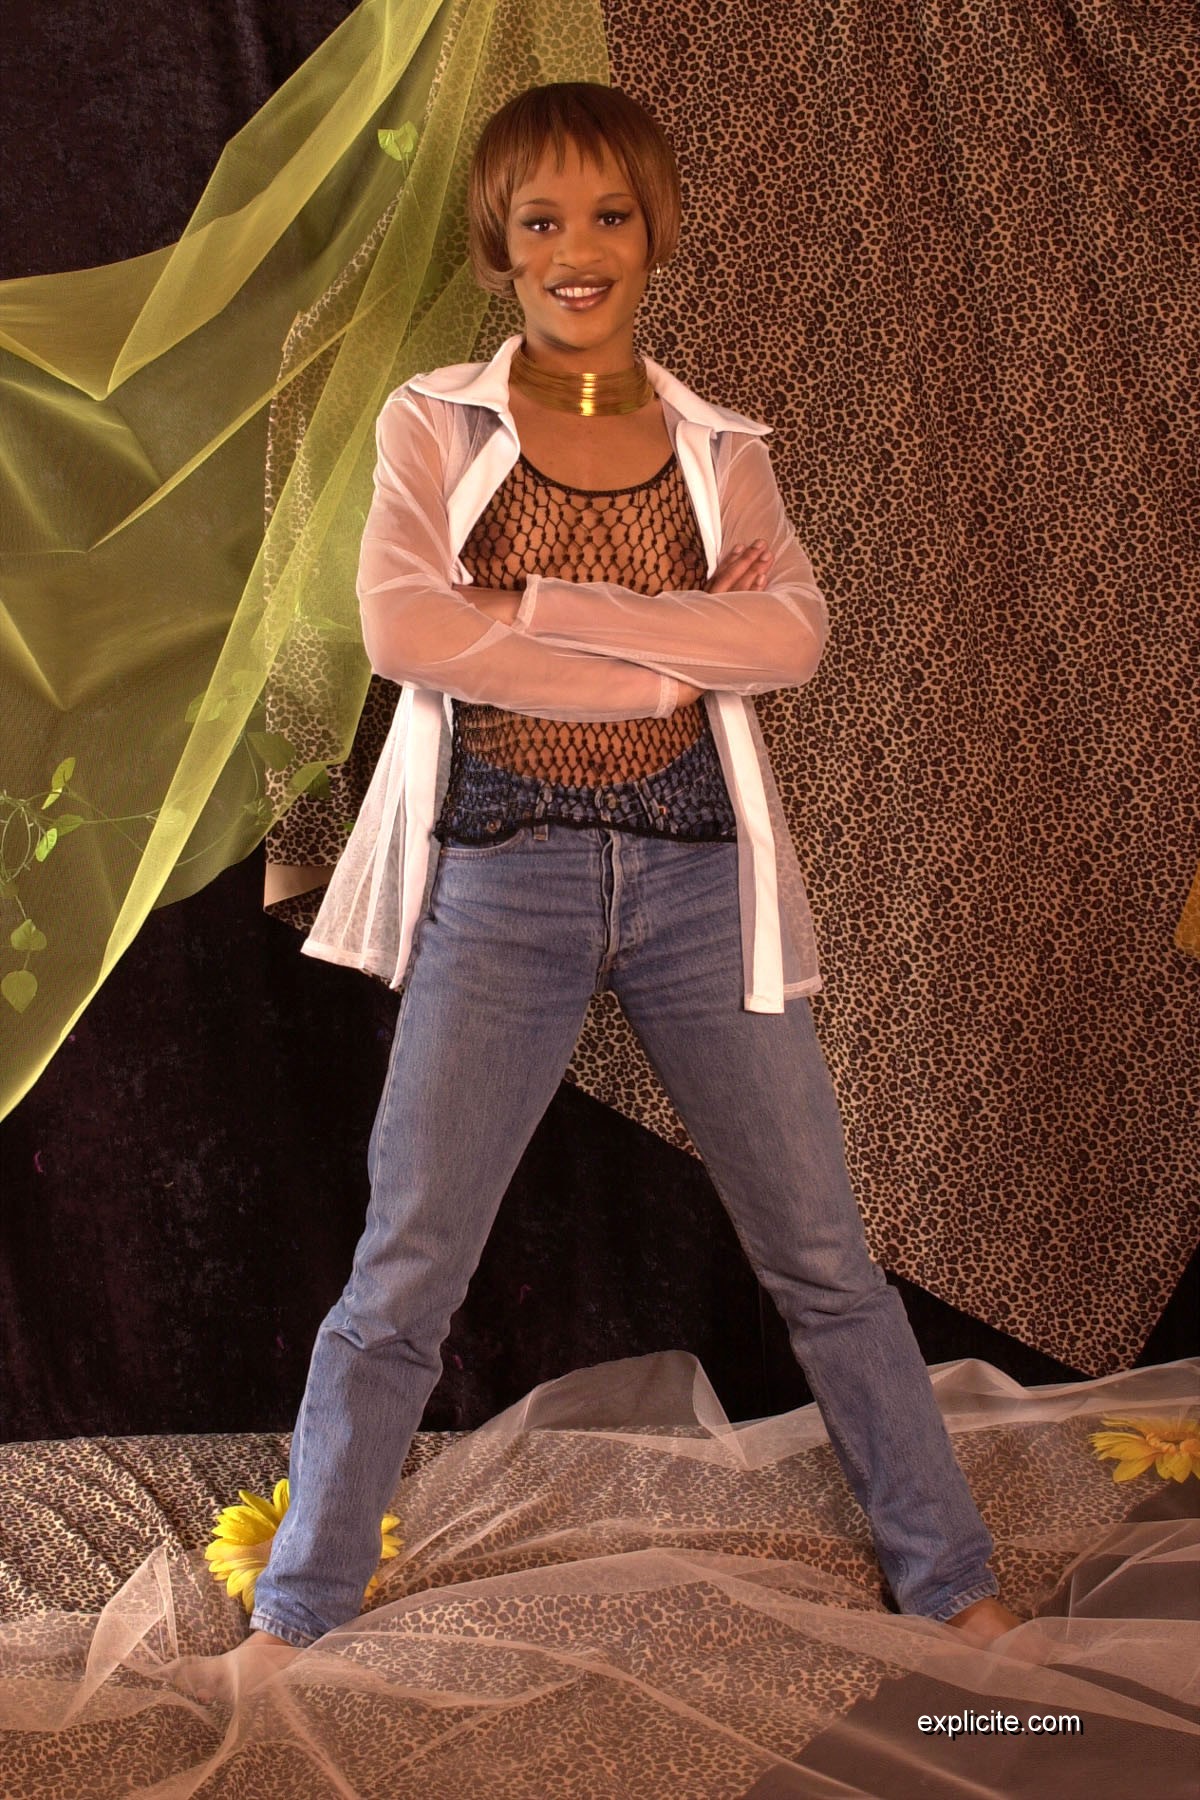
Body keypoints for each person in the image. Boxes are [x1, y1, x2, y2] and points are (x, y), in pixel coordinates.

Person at [174, 81, 1018, 1701]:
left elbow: (790, 636)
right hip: (505, 882)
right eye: (542, 220)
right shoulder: (433, 423)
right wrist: (670, 659)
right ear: (501, 247)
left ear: (654, 234)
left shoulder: (722, 448)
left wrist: (543, 605)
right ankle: (301, 1605)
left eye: (610, 216)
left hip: (702, 886)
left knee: (825, 1262)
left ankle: (949, 1579)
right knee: (405, 1271)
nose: (578, 249)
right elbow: (408, 633)